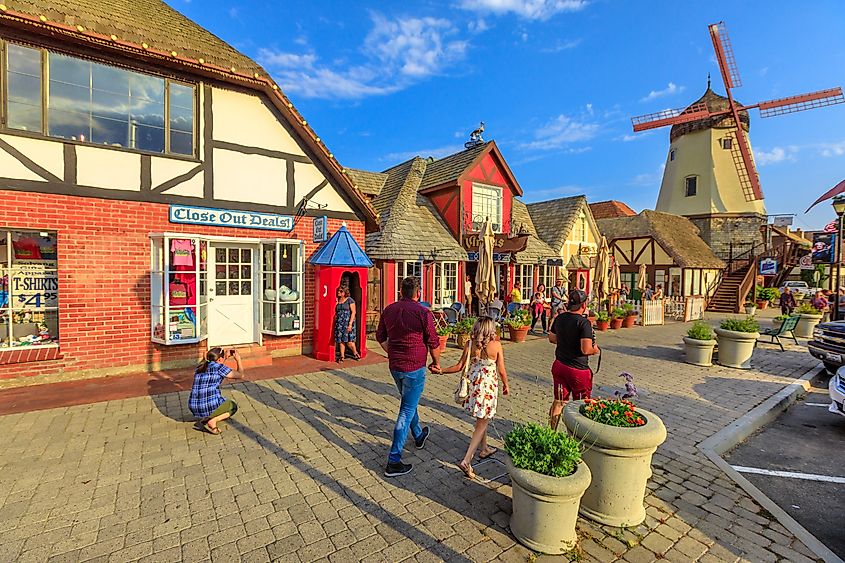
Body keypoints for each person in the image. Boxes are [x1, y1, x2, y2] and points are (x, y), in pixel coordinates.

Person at [376, 277, 441, 477]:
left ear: (400, 291)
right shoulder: (423, 312)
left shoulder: (389, 310)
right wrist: (436, 362)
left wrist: (391, 352)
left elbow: (380, 336)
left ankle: (419, 434)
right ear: (418, 293)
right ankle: (394, 460)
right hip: (414, 366)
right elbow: (433, 341)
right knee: (406, 410)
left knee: (408, 402)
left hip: (395, 366)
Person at [436, 317, 509, 479]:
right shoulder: (496, 345)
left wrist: (441, 371)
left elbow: (459, 366)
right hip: (488, 386)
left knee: (482, 418)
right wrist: (506, 384)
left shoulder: (470, 344)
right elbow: (502, 370)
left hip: (474, 385)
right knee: (482, 423)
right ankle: (467, 460)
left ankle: (484, 448)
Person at [548, 289, 600, 430]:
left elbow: (552, 338)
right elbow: (586, 350)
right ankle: (577, 434)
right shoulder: (584, 323)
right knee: (581, 404)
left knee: (559, 401)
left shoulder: (560, 318)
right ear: (583, 305)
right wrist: (596, 350)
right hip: (578, 370)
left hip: (560, 365)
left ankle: (551, 432)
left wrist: (565, 340)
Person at [188, 347, 245, 435]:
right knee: (232, 406)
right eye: (223, 357)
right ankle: (212, 421)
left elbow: (216, 364)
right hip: (207, 406)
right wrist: (238, 360)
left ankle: (207, 417)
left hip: (194, 407)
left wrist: (224, 357)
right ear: (220, 359)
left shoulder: (200, 367)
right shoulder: (219, 368)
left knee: (217, 399)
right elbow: (240, 375)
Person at [333, 286, 359, 363]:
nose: (338, 292)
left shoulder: (350, 300)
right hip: (339, 323)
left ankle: (355, 353)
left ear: (345, 292)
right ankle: (342, 356)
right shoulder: (337, 300)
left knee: (349, 341)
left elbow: (353, 312)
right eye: (338, 291)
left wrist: (350, 324)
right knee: (341, 340)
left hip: (347, 322)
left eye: (341, 291)